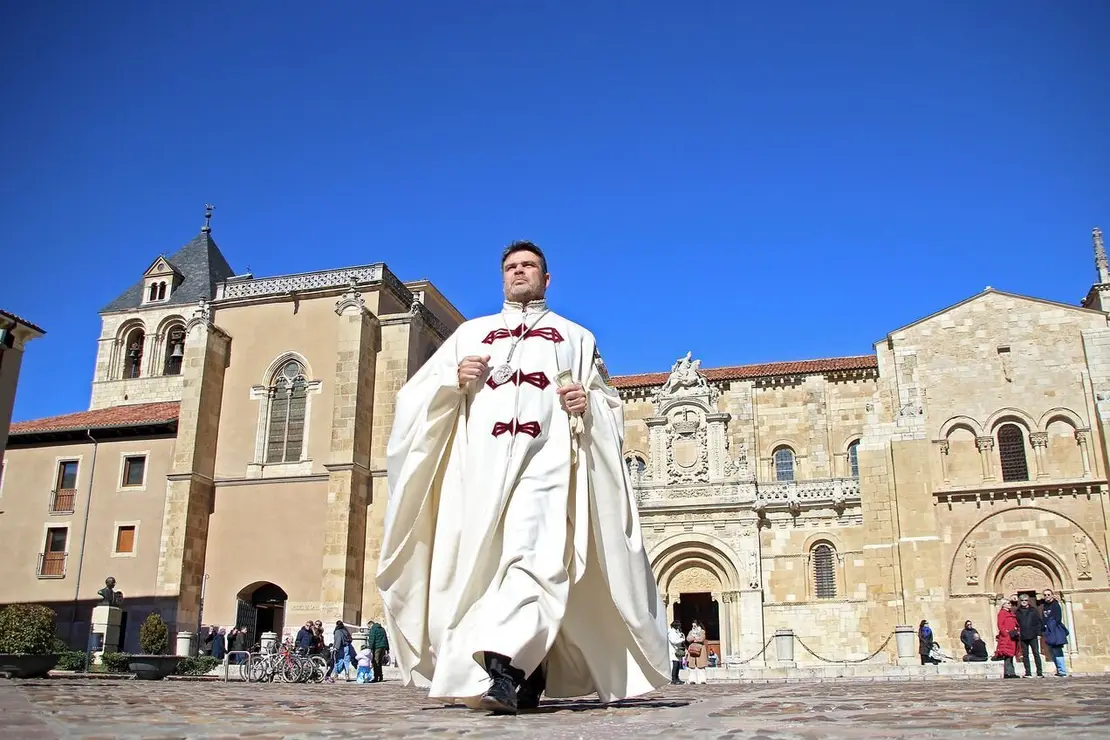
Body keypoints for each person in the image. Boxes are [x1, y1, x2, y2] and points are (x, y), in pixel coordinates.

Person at [377, 240, 669, 714]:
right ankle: (529, 673)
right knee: (485, 570)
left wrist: (587, 404)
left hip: (546, 467)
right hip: (479, 475)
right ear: (501, 277)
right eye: (511, 267)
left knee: (533, 558)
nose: (519, 272)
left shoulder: (576, 337)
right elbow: (414, 400)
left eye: (528, 266)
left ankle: (505, 670)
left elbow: (609, 406)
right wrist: (453, 381)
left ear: (546, 279)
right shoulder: (470, 335)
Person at [1041, 589, 1069, 677]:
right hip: (1049, 631)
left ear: (1052, 595)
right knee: (1052, 651)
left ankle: (1062, 670)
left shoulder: (1055, 605)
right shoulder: (1045, 606)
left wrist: (1051, 626)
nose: (1047, 596)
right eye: (1045, 595)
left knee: (1057, 650)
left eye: (1048, 594)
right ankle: (1059, 670)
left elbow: (1057, 618)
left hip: (1055, 630)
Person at [1015, 593, 1044, 677]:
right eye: (1022, 600)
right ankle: (1028, 672)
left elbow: (1038, 622)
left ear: (1028, 601)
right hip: (1023, 636)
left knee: (1036, 653)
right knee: (1025, 655)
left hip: (1033, 635)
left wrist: (1039, 633)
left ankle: (1039, 672)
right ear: (1020, 601)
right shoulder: (1017, 612)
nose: (1024, 602)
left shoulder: (1033, 610)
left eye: (1026, 600)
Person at [996, 598, 1020, 678]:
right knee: (1007, 654)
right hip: (1007, 638)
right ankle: (1009, 673)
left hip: (1012, 637)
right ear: (1004, 605)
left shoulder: (1010, 613)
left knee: (1011, 655)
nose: (1010, 604)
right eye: (1008, 603)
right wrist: (1006, 633)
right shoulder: (1002, 613)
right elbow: (1000, 625)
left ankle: (1010, 672)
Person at [366, 619, 390, 683]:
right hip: (383, 647)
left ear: (370, 625)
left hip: (377, 647)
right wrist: (387, 648)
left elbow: (372, 639)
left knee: (375, 662)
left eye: (368, 627)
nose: (369, 629)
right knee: (379, 662)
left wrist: (370, 648)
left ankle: (376, 677)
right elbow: (385, 638)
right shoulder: (382, 629)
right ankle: (380, 676)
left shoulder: (373, 629)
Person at [685, 620, 707, 684]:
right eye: (693, 625)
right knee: (692, 666)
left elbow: (701, 638)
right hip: (692, 649)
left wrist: (695, 639)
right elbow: (688, 638)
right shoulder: (691, 632)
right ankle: (692, 680)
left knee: (701, 666)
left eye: (695, 625)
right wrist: (694, 638)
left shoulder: (702, 631)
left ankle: (702, 680)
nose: (693, 627)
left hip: (700, 649)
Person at [667, 620, 685, 685]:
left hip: (678, 650)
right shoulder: (671, 632)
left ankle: (677, 678)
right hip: (673, 651)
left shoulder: (676, 632)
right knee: (675, 665)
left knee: (678, 665)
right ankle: (673, 679)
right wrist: (682, 640)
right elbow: (674, 641)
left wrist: (681, 635)